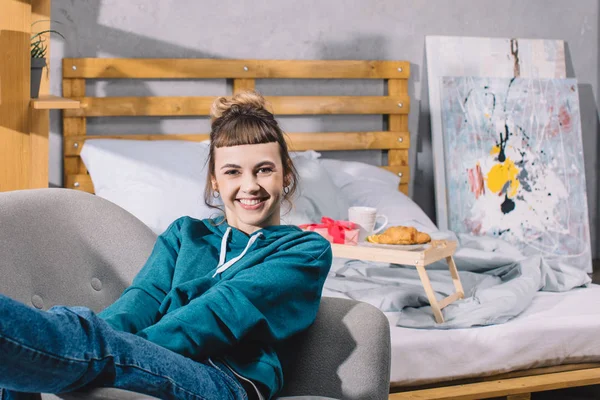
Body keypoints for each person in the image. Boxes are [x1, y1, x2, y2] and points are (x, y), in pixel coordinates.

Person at [0, 91, 333, 400]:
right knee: (27, 364)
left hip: (227, 380)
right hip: (152, 355)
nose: (250, 186)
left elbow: (222, 312)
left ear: (285, 175)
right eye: (233, 172)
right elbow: (140, 301)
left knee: (71, 344)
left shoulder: (304, 250)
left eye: (264, 170)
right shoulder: (185, 234)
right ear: (215, 180)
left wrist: (115, 348)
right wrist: (99, 337)